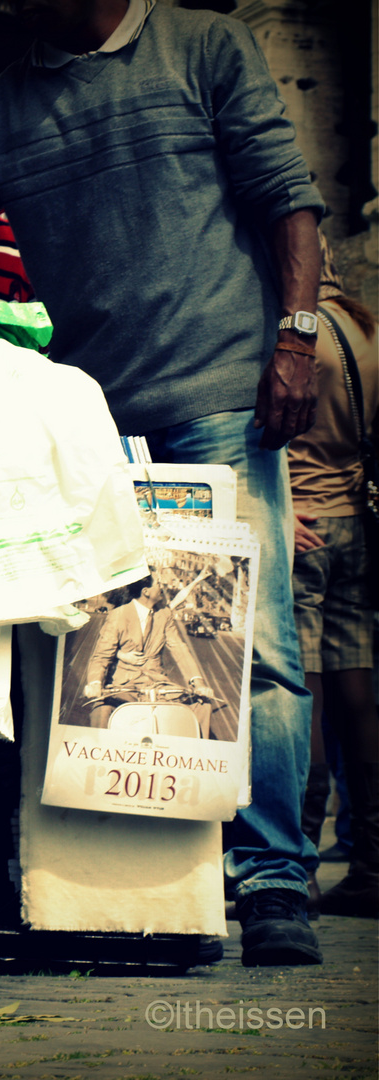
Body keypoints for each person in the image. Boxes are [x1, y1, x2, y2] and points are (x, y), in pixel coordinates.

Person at [0, 0, 324, 965]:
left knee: (255, 643)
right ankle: (143, 886)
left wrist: (296, 339)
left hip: (220, 391)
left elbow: (288, 196)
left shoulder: (203, 46)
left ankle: (274, 882)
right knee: (108, 645)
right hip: (87, 415)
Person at [290, 238, 378, 918]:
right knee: (357, 693)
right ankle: (370, 862)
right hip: (353, 524)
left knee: (303, 694)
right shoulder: (362, 326)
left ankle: (299, 865)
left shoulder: (296, 335)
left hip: (303, 525)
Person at [83, 575, 215, 736]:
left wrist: (198, 682)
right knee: (101, 711)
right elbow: (102, 656)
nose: (163, 586)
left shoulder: (164, 614)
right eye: (159, 583)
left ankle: (194, 755)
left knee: (202, 705)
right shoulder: (118, 615)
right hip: (124, 688)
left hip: (158, 686)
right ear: (146, 591)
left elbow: (179, 649)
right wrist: (95, 683)